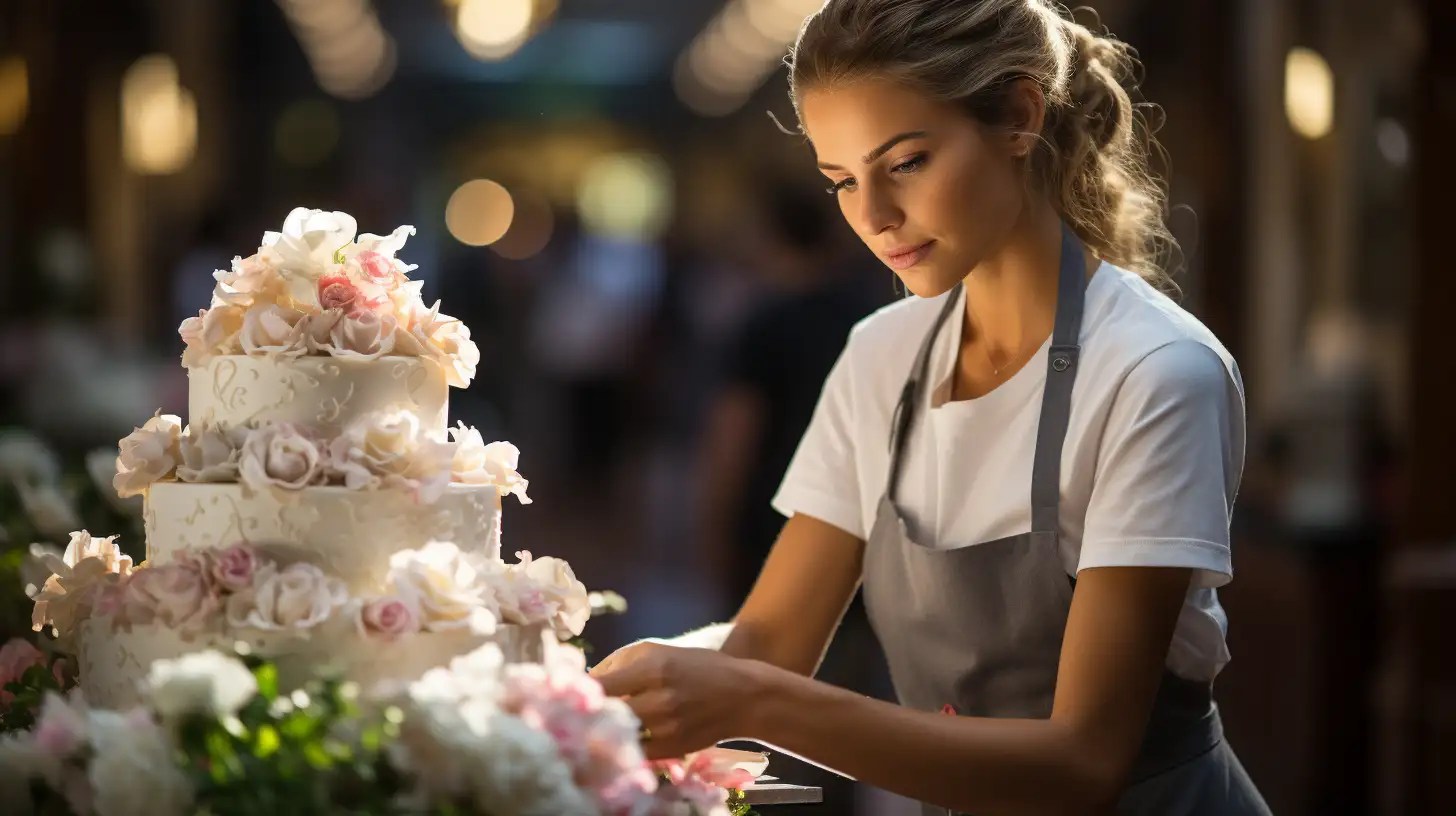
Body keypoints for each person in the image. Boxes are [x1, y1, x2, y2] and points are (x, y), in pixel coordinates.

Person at [591, 1, 1271, 813]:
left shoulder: (1156, 372)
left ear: (1019, 116)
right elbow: (767, 646)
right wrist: (583, 696)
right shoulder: (883, 355)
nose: (873, 217)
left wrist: (753, 700)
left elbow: (1083, 762)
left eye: (906, 162)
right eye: (843, 182)